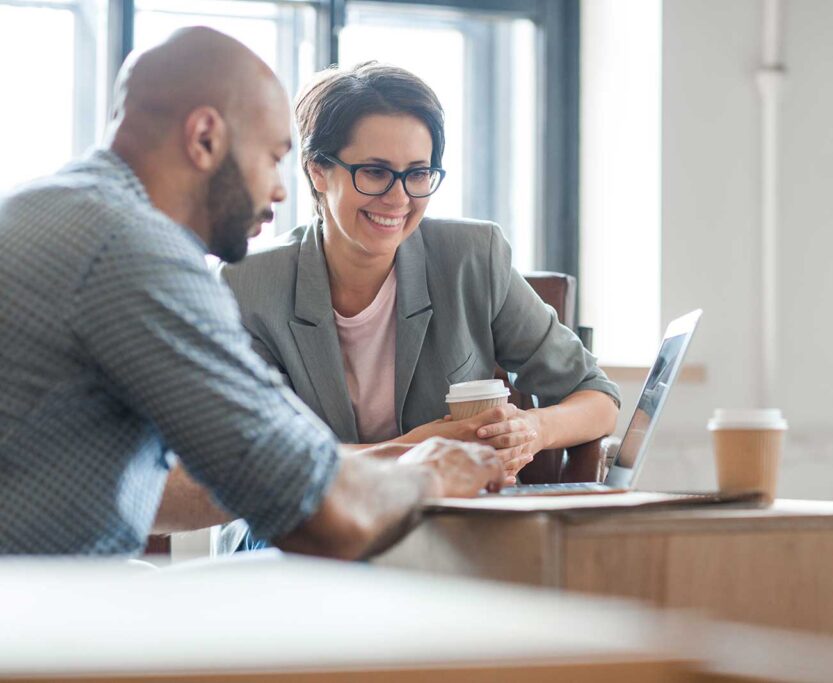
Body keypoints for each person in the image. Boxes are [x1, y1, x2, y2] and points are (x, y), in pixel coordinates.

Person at [0, 27, 503, 557]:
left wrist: (363, 465)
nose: (281, 189)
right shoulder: (134, 250)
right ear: (205, 138)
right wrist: (428, 472)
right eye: (272, 156)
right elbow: (321, 518)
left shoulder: (48, 208)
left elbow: (186, 488)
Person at [219, 63, 621, 485]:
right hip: (300, 523)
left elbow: (598, 397)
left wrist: (532, 431)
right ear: (318, 170)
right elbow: (261, 458)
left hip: (452, 523)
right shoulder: (248, 285)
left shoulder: (471, 258)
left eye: (417, 173)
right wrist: (413, 451)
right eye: (374, 172)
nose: (398, 198)